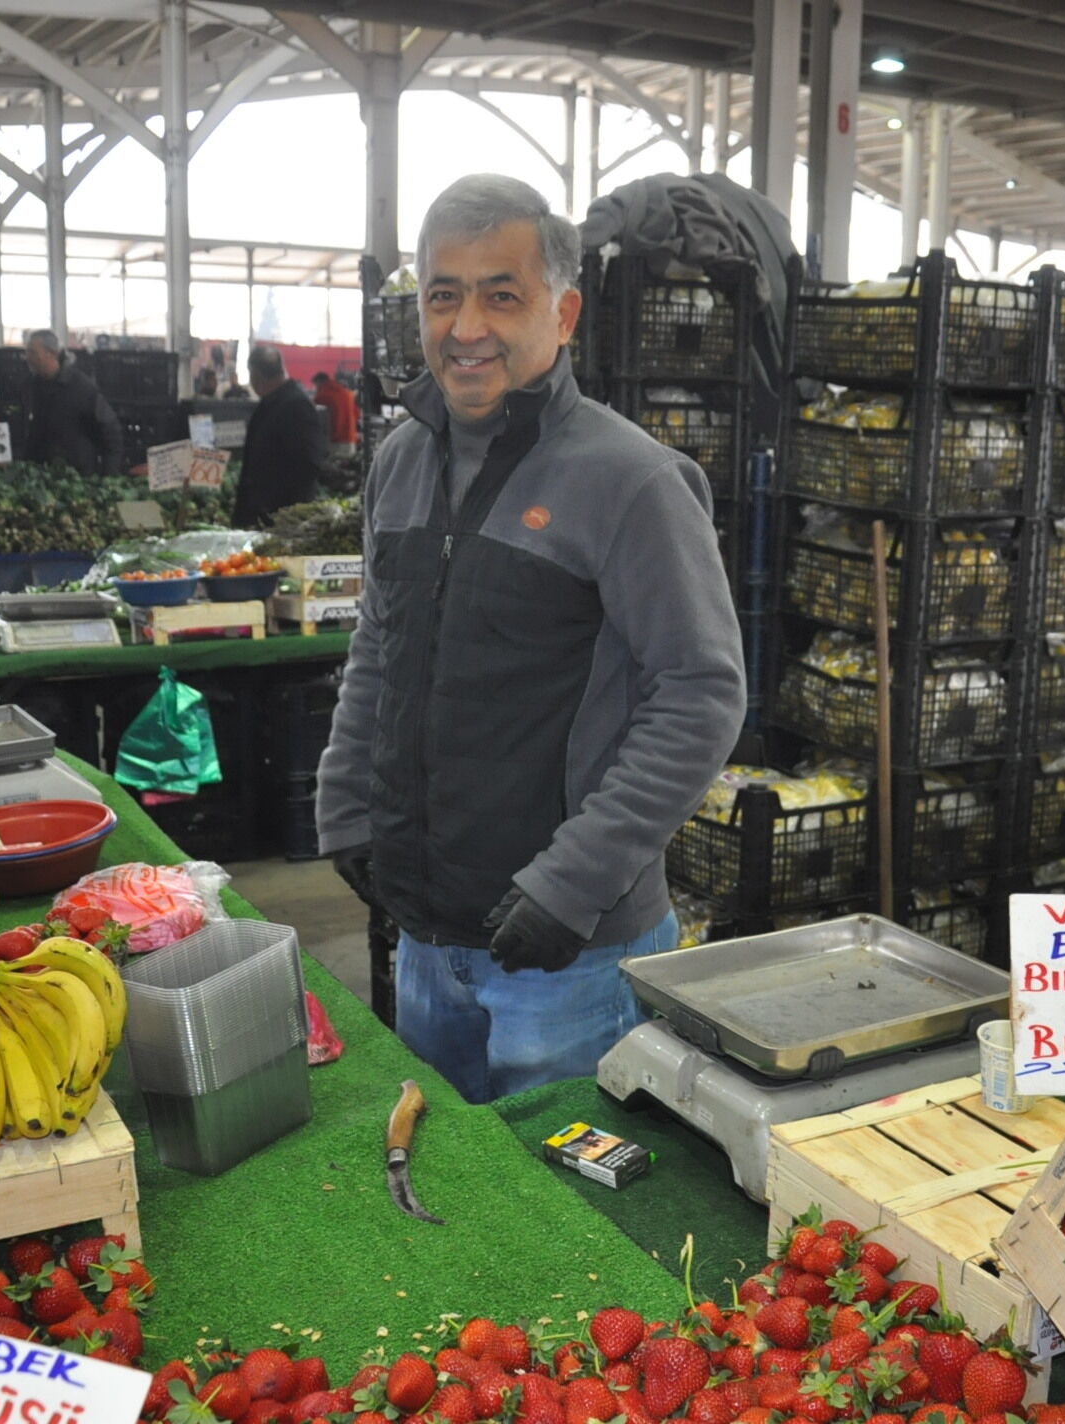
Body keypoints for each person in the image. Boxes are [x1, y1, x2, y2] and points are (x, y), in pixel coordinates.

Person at [315, 174, 744, 1104]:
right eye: (443, 294)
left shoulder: (632, 481)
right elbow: (380, 649)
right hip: (429, 938)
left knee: (571, 1226)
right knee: (454, 1194)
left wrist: (571, 883)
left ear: (565, 311)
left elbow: (702, 694)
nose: (466, 327)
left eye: (500, 294)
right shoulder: (400, 463)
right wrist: (346, 802)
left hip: (571, 959)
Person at [232, 345, 331, 527]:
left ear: (256, 376)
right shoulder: (276, 402)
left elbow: (309, 463)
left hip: (282, 520)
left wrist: (280, 511)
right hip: (269, 515)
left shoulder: (295, 406)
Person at [22, 329, 123, 476]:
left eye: (32, 353)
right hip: (40, 475)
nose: (27, 358)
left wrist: (110, 475)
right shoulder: (32, 385)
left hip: (77, 477)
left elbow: (111, 431)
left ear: (50, 354)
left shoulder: (80, 387)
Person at [311, 370, 360, 456]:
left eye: (316, 385)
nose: (316, 388)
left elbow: (315, 413)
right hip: (350, 438)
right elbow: (357, 414)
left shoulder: (324, 393)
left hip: (335, 440)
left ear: (319, 382)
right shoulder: (347, 393)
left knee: (335, 467)